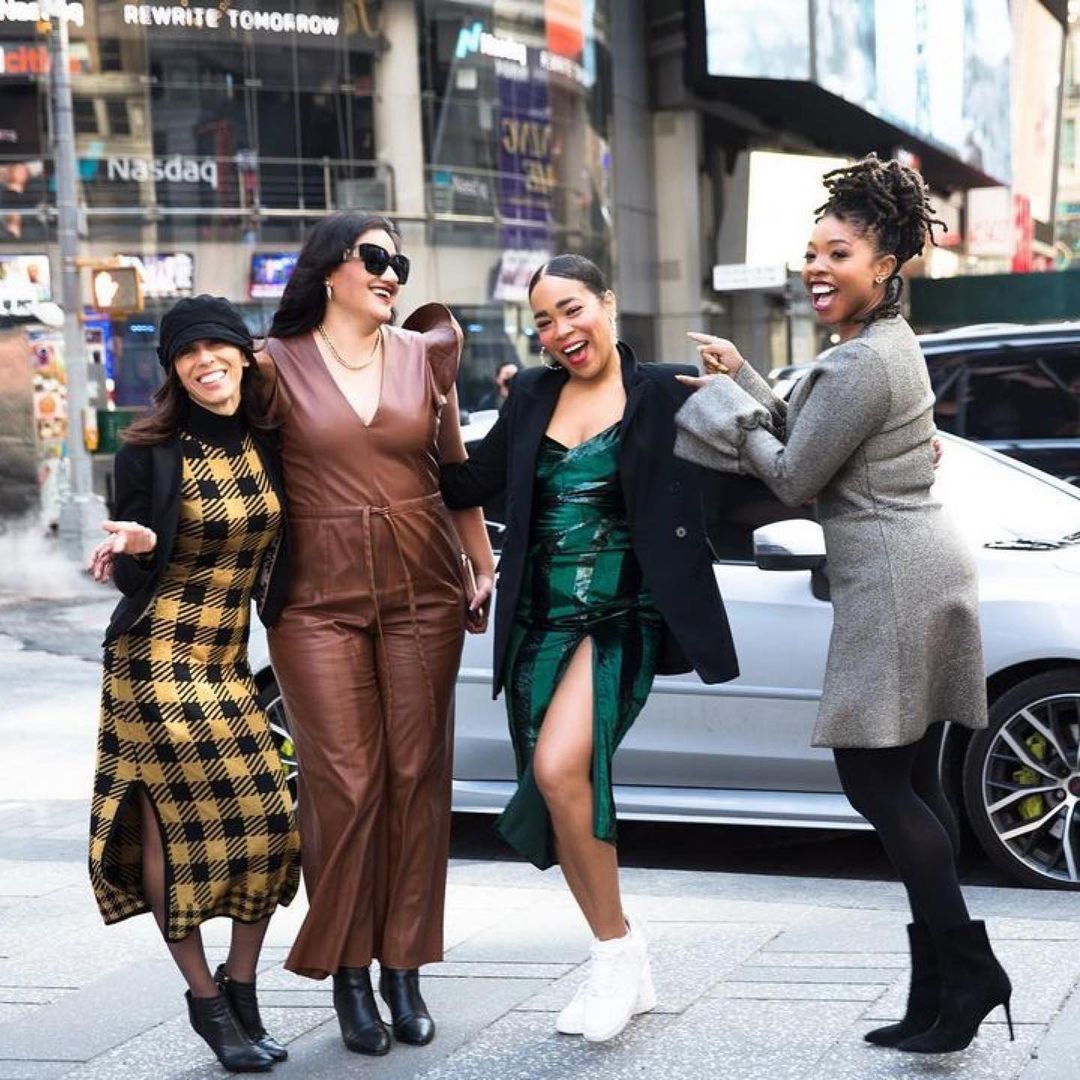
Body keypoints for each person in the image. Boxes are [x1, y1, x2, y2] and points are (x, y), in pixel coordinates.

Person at [674, 155, 1012, 1055]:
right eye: (813, 252)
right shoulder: (885, 346)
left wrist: (724, 409)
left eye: (839, 253)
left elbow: (794, 474)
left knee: (875, 783)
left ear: (886, 263)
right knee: (913, 786)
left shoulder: (862, 360)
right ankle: (938, 991)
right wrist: (750, 379)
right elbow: (817, 438)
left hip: (895, 578)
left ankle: (968, 974)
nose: (817, 267)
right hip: (919, 565)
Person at [439, 254, 738, 1043]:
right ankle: (623, 956)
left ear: (607, 303)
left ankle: (613, 955)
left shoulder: (668, 391)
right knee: (560, 791)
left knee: (559, 768)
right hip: (537, 623)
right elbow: (466, 486)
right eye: (544, 320)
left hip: (621, 615)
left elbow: (774, 457)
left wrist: (747, 391)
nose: (561, 330)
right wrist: (420, 409)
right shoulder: (533, 396)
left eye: (572, 309)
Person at [259, 212, 494, 1055]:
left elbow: (452, 469)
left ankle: (404, 966)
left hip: (423, 586)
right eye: (374, 258)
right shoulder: (270, 365)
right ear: (330, 270)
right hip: (313, 599)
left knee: (415, 775)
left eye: (399, 261)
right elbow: (223, 466)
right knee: (345, 783)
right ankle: (349, 969)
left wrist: (480, 563)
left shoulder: (424, 355)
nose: (391, 272)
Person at [87, 295, 301, 1074]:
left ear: (243, 354)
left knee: (271, 822)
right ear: (174, 369)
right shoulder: (148, 450)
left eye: (216, 347)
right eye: (187, 353)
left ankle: (240, 988)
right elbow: (131, 575)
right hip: (152, 659)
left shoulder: (268, 440)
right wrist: (142, 545)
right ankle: (206, 1001)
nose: (204, 362)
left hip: (225, 659)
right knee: (171, 830)